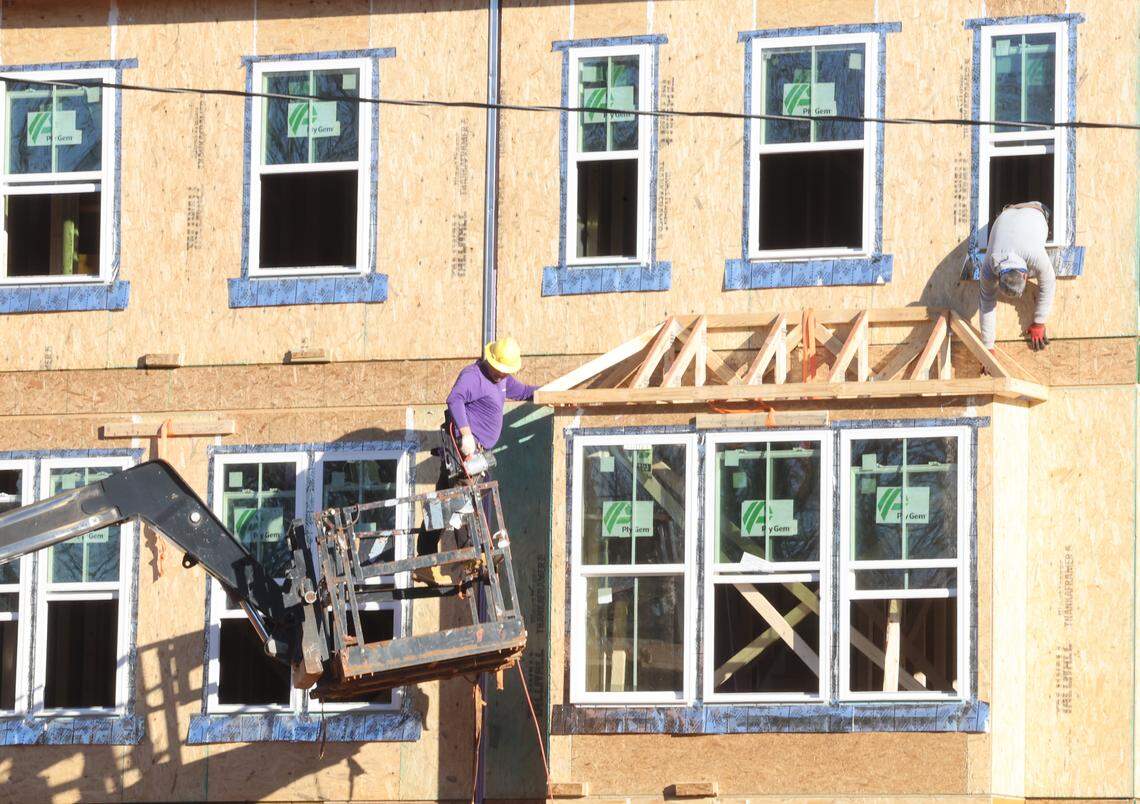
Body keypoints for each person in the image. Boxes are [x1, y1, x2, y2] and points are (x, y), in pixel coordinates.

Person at [414, 337, 538, 584]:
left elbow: (524, 392)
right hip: (465, 452)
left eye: (506, 371)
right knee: (463, 503)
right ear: (491, 361)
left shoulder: (502, 380)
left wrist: (555, 391)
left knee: (443, 502)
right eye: (500, 370)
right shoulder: (474, 376)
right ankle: (471, 558)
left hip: (473, 454)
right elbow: (454, 399)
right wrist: (467, 434)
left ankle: (424, 561)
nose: (503, 375)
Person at [979, 201, 1055, 352]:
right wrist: (988, 346)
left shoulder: (1034, 254)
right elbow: (986, 302)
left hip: (1037, 209)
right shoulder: (989, 266)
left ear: (1025, 275)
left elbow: (1049, 282)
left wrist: (1039, 322)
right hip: (1006, 214)